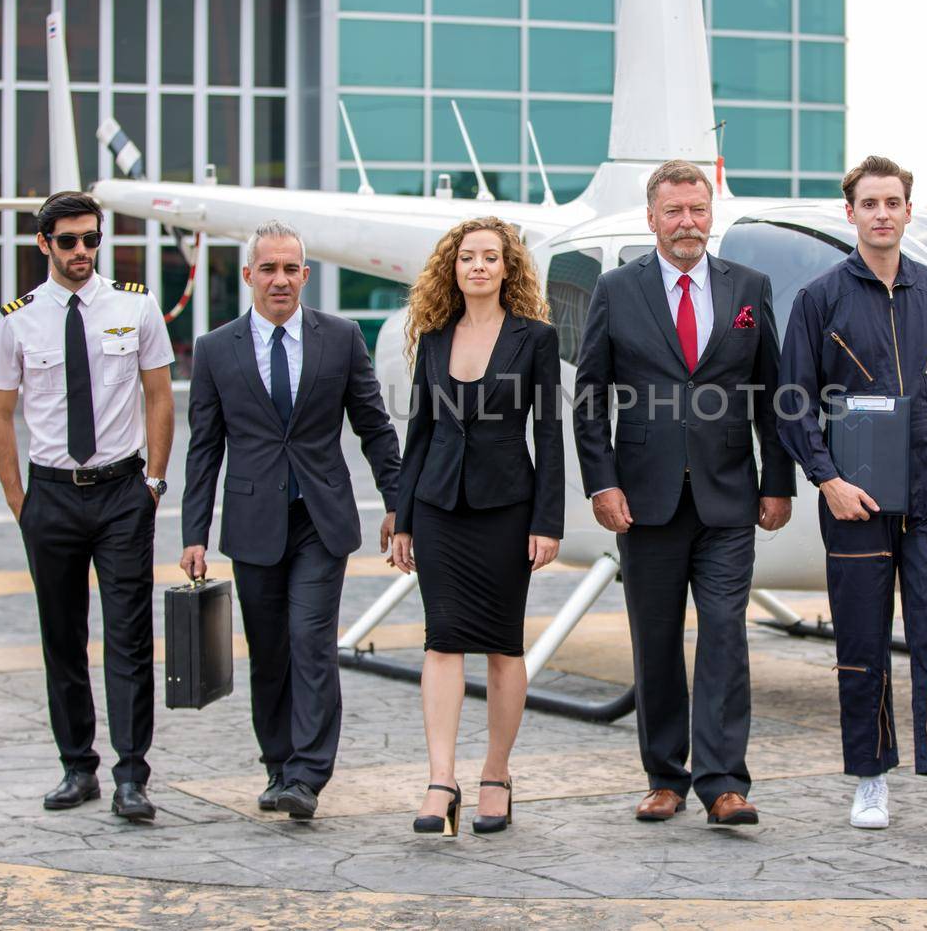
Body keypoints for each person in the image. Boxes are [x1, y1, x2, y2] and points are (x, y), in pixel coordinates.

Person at [776, 155, 927, 830]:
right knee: (861, 636)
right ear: (850, 214)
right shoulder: (821, 299)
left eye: (892, 202)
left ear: (908, 211)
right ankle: (870, 779)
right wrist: (828, 479)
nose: (881, 213)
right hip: (855, 497)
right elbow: (793, 403)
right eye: (869, 203)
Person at [572, 159, 795, 828]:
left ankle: (724, 780)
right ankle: (665, 777)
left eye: (697, 209)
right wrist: (602, 481)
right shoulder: (616, 290)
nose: (687, 222)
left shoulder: (749, 287)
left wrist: (778, 481)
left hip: (729, 497)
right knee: (657, 638)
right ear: (652, 219)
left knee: (725, 634)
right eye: (674, 211)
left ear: (710, 213)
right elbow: (590, 398)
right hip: (644, 501)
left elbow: (772, 396)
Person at [180, 220, 402, 820]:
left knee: (310, 639)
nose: (280, 280)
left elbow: (374, 427)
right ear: (249, 275)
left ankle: (307, 774)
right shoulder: (215, 348)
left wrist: (396, 503)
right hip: (252, 523)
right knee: (269, 648)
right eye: (268, 269)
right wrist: (193, 535)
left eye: (291, 269)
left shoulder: (341, 337)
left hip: (319, 521)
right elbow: (204, 447)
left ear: (306, 275)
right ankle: (277, 764)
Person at [0, 191, 174, 822]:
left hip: (123, 493)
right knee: (62, 638)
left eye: (91, 239)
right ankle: (77, 766)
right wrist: (22, 503)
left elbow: (160, 397)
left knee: (128, 638)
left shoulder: (136, 306)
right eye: (68, 241)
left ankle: (131, 775)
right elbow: (0, 415)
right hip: (53, 497)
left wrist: (154, 481)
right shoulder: (16, 320)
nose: (82, 252)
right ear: (44, 245)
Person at [389, 217, 563, 837]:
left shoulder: (536, 338)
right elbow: (420, 434)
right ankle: (441, 780)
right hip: (438, 509)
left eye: (491, 257)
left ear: (508, 268)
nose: (479, 266)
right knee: (441, 640)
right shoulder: (434, 338)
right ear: (453, 268)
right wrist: (402, 518)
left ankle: (496, 773)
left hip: (507, 510)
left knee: (502, 643)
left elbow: (548, 435)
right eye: (468, 258)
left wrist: (548, 520)